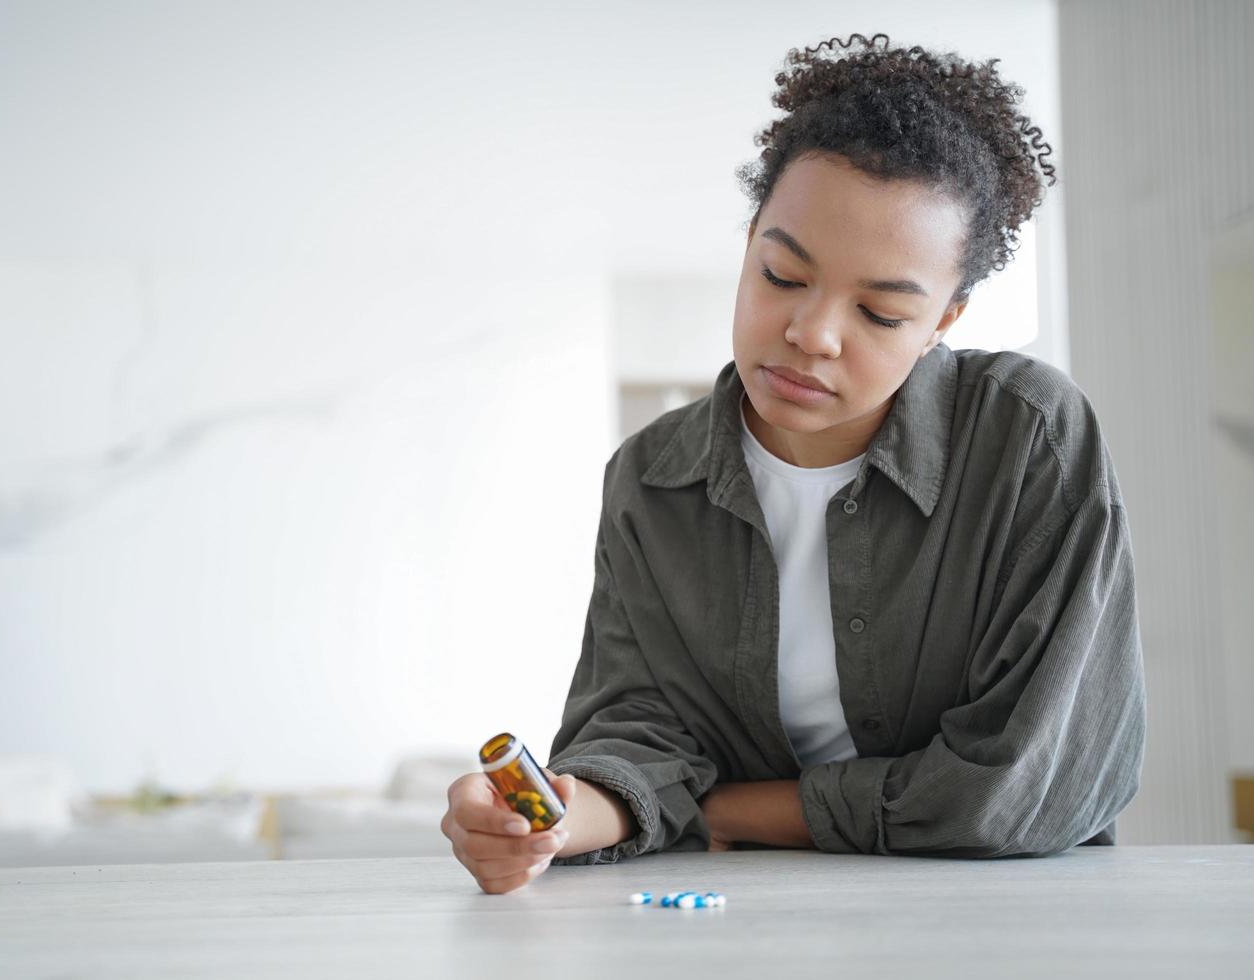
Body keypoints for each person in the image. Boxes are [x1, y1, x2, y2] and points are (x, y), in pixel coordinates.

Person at [441, 32, 1145, 895]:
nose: (811, 334)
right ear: (747, 244)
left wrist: (734, 811)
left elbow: (1021, 786)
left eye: (882, 314)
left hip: (1001, 922)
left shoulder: (1029, 440)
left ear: (944, 321)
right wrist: (556, 818)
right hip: (742, 921)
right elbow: (640, 730)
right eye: (781, 274)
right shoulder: (651, 478)